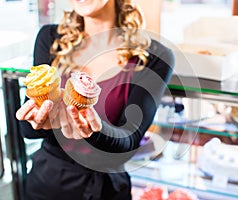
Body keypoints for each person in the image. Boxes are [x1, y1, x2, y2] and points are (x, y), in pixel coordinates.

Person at [15, 0, 174, 199]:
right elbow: (27, 131)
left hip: (106, 189)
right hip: (48, 183)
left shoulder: (154, 56)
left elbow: (131, 140)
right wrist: (38, 122)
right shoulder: (50, 38)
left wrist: (94, 131)